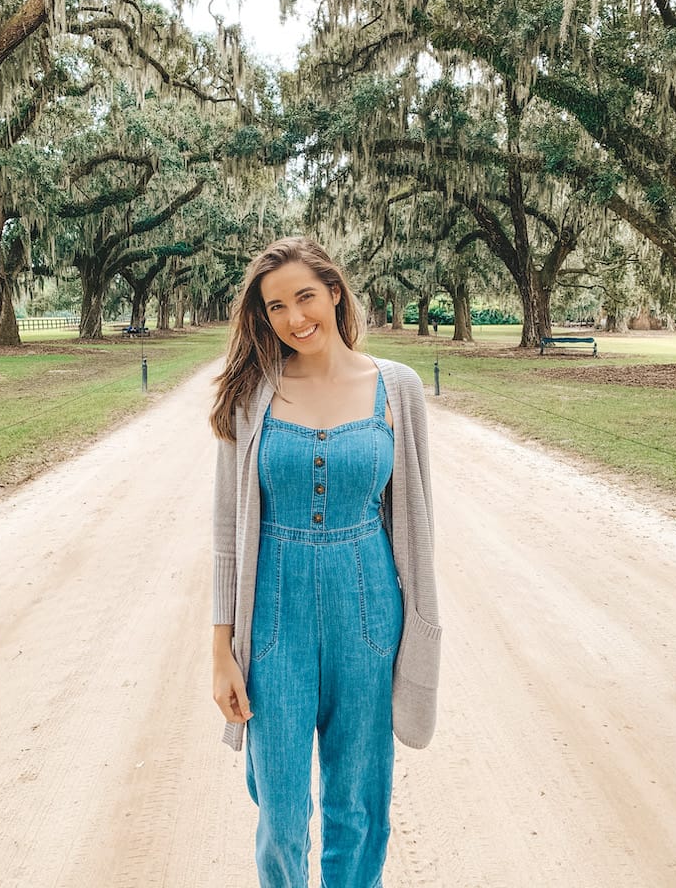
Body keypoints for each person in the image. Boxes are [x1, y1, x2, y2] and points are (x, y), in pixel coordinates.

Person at [210, 236, 441, 888]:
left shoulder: (396, 389)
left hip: (367, 612)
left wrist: (422, 631)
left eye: (304, 296)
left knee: (359, 806)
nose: (293, 318)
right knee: (281, 813)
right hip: (274, 619)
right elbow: (227, 532)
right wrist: (221, 647)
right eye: (275, 306)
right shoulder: (250, 393)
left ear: (335, 291)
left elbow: (416, 523)